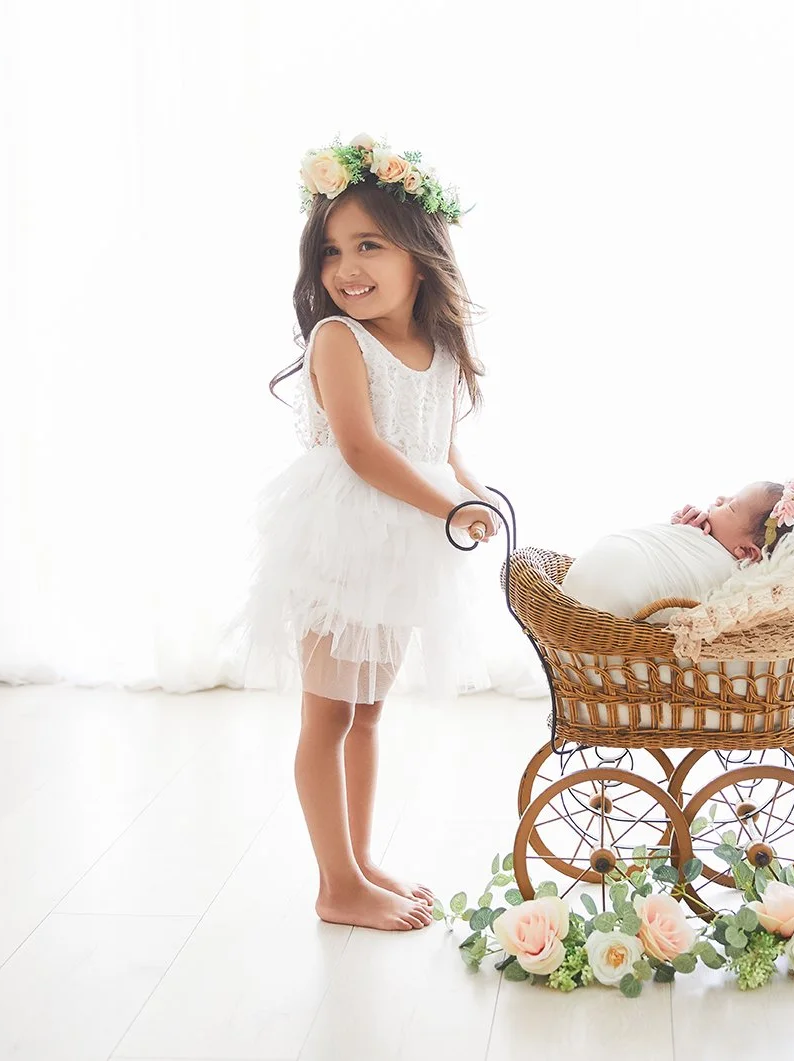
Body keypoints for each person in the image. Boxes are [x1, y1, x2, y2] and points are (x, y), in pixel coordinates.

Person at [239, 133, 500, 932]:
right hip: (341, 543)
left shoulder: (440, 346)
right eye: (331, 250)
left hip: (404, 546)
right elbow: (362, 448)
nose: (346, 267)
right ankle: (335, 883)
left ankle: (358, 859)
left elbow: (438, 445)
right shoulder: (338, 339)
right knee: (328, 714)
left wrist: (476, 494)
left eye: (369, 245)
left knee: (368, 713)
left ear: (421, 256)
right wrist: (447, 507)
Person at [561, 479, 794, 621]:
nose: (719, 499)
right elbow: (664, 549)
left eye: (731, 507)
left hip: (607, 596)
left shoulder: (736, 581)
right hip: (602, 568)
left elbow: (679, 581)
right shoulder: (703, 532)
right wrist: (681, 528)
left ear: (746, 553)